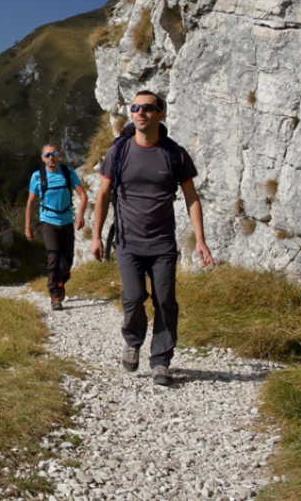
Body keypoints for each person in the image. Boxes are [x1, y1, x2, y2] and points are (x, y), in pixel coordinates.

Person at [89, 90, 214, 386]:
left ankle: (161, 361)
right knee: (133, 297)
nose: (141, 112)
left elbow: (192, 198)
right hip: (128, 242)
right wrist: (95, 236)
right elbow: (103, 195)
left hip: (162, 245)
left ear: (161, 114)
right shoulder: (118, 152)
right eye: (135, 107)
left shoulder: (174, 154)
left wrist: (200, 239)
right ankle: (132, 341)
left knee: (166, 301)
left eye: (148, 108)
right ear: (131, 114)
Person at [25, 144, 88, 311]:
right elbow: (30, 202)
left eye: (53, 154)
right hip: (48, 222)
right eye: (47, 155)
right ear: (42, 158)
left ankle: (61, 281)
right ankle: (55, 295)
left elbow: (83, 194)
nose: (50, 158)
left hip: (67, 221)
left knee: (68, 259)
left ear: (58, 155)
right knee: (53, 255)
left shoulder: (68, 173)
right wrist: (28, 227)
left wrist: (80, 215)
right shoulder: (37, 177)